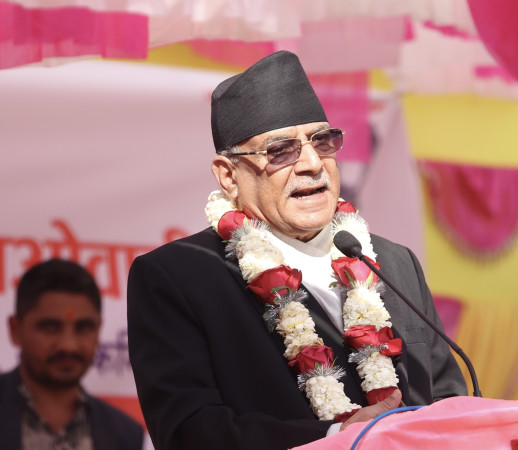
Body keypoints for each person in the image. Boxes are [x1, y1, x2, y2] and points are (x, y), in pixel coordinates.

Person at [127, 50, 467, 450]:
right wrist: (335, 439)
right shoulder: (179, 278)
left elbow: (449, 402)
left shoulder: (393, 264)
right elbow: (190, 432)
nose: (312, 163)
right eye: (280, 150)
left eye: (322, 142)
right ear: (229, 176)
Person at [0, 258, 144, 450]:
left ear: (98, 329)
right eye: (50, 327)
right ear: (15, 329)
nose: (68, 346)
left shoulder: (125, 434)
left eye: (83, 327)